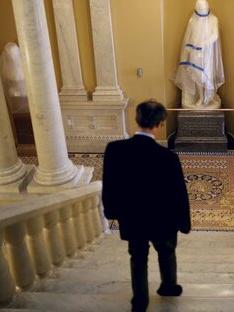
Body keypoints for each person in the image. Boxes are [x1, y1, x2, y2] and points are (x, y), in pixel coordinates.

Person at [102, 99, 191, 312]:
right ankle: (168, 286)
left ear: (136, 120)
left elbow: (110, 184)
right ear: (160, 124)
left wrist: (112, 211)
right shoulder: (168, 157)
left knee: (138, 257)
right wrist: (183, 222)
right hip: (164, 219)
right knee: (167, 253)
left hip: (132, 218)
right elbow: (178, 193)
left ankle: (140, 301)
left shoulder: (115, 150)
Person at [174, 0, 225, 109]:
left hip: (208, 54)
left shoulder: (213, 19)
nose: (202, 11)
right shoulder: (192, 20)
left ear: (207, 8)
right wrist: (186, 51)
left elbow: (215, 35)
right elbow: (188, 36)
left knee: (207, 75)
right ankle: (201, 97)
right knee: (196, 75)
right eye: (200, 9)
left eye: (204, 9)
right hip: (195, 52)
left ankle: (209, 96)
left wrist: (203, 43)